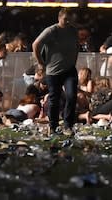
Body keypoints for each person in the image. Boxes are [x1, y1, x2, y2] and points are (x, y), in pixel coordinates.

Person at [32, 8, 79, 136]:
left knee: (71, 96)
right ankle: (53, 125)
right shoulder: (51, 31)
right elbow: (35, 44)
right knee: (54, 98)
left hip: (69, 69)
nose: (68, 21)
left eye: (70, 19)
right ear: (59, 18)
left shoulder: (73, 31)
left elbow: (76, 46)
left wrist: (74, 60)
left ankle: (68, 125)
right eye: (65, 19)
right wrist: (41, 62)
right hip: (53, 71)